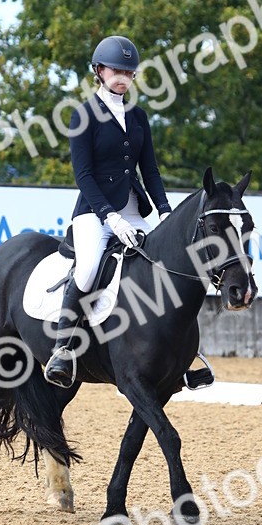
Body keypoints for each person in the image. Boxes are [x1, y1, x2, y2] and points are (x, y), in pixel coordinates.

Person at [44, 34, 172, 387]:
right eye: (116, 70)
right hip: (94, 213)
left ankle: (182, 351)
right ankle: (62, 350)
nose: (122, 77)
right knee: (86, 271)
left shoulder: (139, 116)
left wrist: (164, 211)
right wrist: (110, 218)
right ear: (99, 71)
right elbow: (83, 174)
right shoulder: (83, 115)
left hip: (133, 209)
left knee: (162, 265)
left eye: (129, 72)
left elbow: (151, 170)